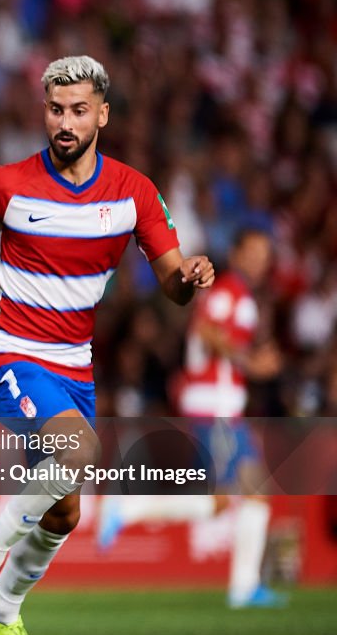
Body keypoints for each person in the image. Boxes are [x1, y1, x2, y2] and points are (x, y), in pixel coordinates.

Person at [0, 55, 214, 635]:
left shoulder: (134, 193)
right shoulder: (7, 183)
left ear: (103, 114)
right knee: (79, 452)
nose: (65, 122)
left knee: (66, 511)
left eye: (78, 110)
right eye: (56, 109)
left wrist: (190, 277)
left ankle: (8, 615)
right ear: (43, 112)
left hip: (75, 366)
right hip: (9, 353)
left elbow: (171, 284)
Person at [98, 228, 286, 608]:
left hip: (225, 408)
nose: (259, 261)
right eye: (252, 251)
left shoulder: (240, 294)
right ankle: (128, 507)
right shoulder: (229, 290)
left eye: (264, 254)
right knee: (221, 499)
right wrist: (249, 362)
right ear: (236, 253)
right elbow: (206, 330)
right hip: (214, 407)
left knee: (256, 494)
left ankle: (245, 587)